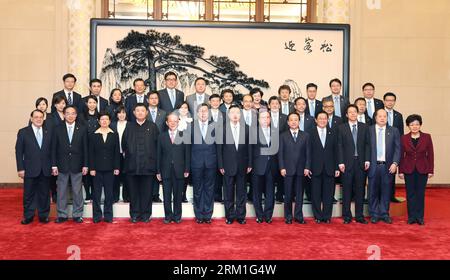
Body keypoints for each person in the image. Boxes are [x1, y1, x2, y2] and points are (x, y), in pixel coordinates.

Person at [122, 103, 159, 223]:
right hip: (132, 166)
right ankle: (134, 214)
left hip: (148, 166)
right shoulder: (129, 126)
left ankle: (146, 214)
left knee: (147, 192)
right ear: (133, 113)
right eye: (137, 111)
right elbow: (124, 145)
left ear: (146, 112)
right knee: (133, 192)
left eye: (142, 111)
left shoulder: (153, 127)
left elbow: (157, 146)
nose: (140, 113)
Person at [51, 106, 88, 223]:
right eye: (68, 113)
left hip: (77, 165)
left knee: (77, 191)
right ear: (64, 115)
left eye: (73, 113)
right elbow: (53, 149)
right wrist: (54, 165)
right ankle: (62, 215)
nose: (70, 115)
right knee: (61, 191)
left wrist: (85, 165)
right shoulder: (57, 129)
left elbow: (85, 149)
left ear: (76, 115)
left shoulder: (82, 128)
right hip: (62, 165)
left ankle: (77, 214)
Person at [16, 110, 53, 224]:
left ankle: (43, 215)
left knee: (44, 193)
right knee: (29, 194)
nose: (38, 119)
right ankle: (28, 215)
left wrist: (53, 166)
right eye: (36, 117)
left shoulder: (49, 131)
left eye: (41, 117)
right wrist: (20, 168)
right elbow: (18, 151)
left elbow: (52, 151)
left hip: (45, 168)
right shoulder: (23, 132)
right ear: (31, 118)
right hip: (29, 169)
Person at [218, 105, 252, 225]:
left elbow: (250, 148)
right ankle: (230, 216)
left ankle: (241, 216)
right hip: (227, 165)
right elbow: (219, 149)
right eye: (232, 112)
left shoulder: (247, 129)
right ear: (228, 115)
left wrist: (250, 163)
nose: (235, 115)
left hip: (243, 165)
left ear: (241, 114)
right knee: (228, 192)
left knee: (241, 192)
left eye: (237, 112)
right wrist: (221, 165)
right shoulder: (222, 129)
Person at [337, 105, 371, 224]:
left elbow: (367, 144)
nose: (352, 114)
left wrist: (367, 159)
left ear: (358, 113)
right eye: (350, 112)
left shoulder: (364, 127)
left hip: (361, 163)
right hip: (346, 164)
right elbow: (339, 146)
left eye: (354, 112)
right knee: (346, 190)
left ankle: (359, 216)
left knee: (360, 190)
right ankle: (347, 216)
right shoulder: (341, 128)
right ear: (346, 114)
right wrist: (340, 162)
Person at [399, 114, 434, 225]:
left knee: (420, 193)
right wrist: (400, 170)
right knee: (410, 194)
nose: (415, 126)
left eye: (417, 124)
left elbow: (431, 155)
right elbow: (401, 155)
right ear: (408, 126)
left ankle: (420, 217)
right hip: (408, 169)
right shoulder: (404, 138)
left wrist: (430, 170)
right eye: (412, 124)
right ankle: (411, 217)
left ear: (420, 125)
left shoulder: (427, 137)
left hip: (423, 168)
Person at [367, 109, 401, 224]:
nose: (382, 118)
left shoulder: (394, 131)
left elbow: (398, 149)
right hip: (373, 165)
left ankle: (384, 213)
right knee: (373, 190)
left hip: (388, 166)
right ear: (375, 118)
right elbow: (365, 147)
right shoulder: (369, 130)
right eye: (380, 116)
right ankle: (374, 214)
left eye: (385, 116)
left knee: (386, 191)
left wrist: (395, 163)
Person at [157, 113, 190, 224]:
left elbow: (187, 154)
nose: (172, 123)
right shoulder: (162, 136)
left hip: (180, 170)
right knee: (166, 195)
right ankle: (168, 216)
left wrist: (187, 169)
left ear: (178, 122)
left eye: (175, 121)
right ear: (167, 123)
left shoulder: (184, 135)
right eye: (170, 121)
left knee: (177, 194)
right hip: (165, 170)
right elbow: (158, 155)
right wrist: (158, 171)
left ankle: (177, 216)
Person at [279, 112, 311, 224]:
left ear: (299, 121)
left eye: (296, 120)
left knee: (299, 194)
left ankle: (298, 216)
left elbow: (308, 153)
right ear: (288, 122)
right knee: (288, 194)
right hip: (287, 169)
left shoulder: (305, 135)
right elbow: (281, 153)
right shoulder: (282, 135)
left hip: (301, 169)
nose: (293, 122)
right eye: (291, 120)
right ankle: (288, 216)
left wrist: (307, 167)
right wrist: (282, 167)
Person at [89, 112, 120, 223]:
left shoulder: (114, 134)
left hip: (110, 169)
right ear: (98, 121)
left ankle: (108, 216)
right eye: (102, 119)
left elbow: (117, 153)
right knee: (96, 194)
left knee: (109, 194)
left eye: (106, 119)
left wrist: (117, 167)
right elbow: (90, 153)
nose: (104, 121)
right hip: (96, 169)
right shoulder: (93, 135)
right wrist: (91, 168)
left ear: (110, 121)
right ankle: (97, 216)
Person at [309, 112, 339, 224]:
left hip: (330, 168)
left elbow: (337, 151)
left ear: (327, 120)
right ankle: (317, 215)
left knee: (328, 194)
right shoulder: (310, 133)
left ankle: (327, 216)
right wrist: (308, 167)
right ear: (316, 120)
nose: (322, 120)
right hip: (315, 168)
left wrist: (336, 167)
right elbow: (308, 152)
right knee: (315, 194)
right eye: (320, 118)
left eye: (325, 118)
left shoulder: (333, 132)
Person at [191, 103, 218, 223]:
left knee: (209, 189)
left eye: (205, 111)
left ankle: (207, 215)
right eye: (201, 111)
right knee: (197, 189)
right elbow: (188, 146)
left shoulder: (215, 126)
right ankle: (199, 215)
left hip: (211, 162)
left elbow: (219, 146)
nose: (203, 113)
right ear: (197, 113)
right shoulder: (191, 126)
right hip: (196, 162)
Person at [252, 111, 278, 224]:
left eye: (268, 117)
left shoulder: (275, 132)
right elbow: (250, 150)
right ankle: (259, 215)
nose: (265, 119)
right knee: (256, 192)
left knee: (270, 192)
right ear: (258, 119)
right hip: (257, 166)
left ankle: (268, 215)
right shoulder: (253, 132)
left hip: (272, 166)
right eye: (263, 117)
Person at [383, 92, 404, 203]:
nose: (390, 102)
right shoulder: (379, 114)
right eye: (388, 100)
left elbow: (401, 133)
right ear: (384, 101)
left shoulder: (398, 115)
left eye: (392, 100)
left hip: (393, 147)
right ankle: (382, 196)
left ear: (394, 102)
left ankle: (391, 196)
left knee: (392, 172)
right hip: (381, 147)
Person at [293, 97, 314, 201]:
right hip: (293, 153)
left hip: (306, 150)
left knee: (307, 177)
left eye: (303, 104)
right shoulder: (291, 118)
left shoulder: (311, 119)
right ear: (295, 106)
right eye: (299, 104)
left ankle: (309, 195)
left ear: (306, 106)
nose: (301, 106)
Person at [267, 96, 287, 203]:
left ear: (279, 106)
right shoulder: (265, 116)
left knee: (281, 172)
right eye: (272, 103)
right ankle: (267, 194)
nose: (274, 105)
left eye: (276, 103)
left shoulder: (285, 117)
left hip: (281, 149)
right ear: (269, 106)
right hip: (268, 149)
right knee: (269, 172)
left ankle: (280, 194)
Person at [80, 95, 99, 203]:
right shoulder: (81, 116)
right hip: (85, 146)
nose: (92, 104)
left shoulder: (100, 115)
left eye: (94, 102)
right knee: (86, 170)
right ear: (87, 104)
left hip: (97, 147)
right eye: (90, 102)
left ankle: (95, 193)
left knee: (95, 170)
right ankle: (88, 194)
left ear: (96, 104)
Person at [110, 105, 130, 203]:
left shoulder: (130, 125)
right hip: (115, 154)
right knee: (115, 176)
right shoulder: (112, 125)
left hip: (127, 154)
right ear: (116, 114)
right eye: (119, 113)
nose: (121, 115)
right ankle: (114, 196)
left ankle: (127, 197)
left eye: (123, 112)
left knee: (127, 175)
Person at [209, 94, 225, 203]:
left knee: (219, 171)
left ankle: (218, 195)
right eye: (213, 101)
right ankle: (209, 195)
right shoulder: (203, 114)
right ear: (210, 102)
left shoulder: (224, 115)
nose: (215, 103)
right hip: (208, 146)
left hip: (221, 146)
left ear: (220, 102)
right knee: (209, 172)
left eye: (217, 101)